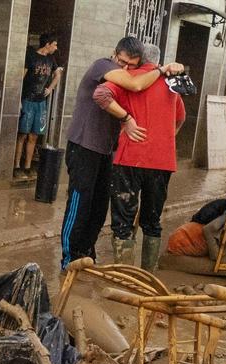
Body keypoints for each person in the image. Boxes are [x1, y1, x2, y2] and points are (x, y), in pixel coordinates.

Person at [58, 37, 184, 271]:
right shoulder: (104, 66)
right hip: (84, 146)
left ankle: (87, 253)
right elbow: (129, 87)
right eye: (122, 61)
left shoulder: (129, 76)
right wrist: (127, 118)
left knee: (98, 207)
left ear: (140, 63)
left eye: (131, 65)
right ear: (114, 53)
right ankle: (69, 258)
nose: (125, 67)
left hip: (107, 150)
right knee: (79, 203)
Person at [93, 44, 186, 270]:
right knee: (152, 221)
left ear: (139, 60)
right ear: (158, 62)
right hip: (162, 161)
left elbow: (101, 94)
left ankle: (126, 279)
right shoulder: (171, 84)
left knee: (123, 222)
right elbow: (181, 118)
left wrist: (126, 119)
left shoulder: (128, 79)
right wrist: (165, 138)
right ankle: (148, 277)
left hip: (130, 159)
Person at [14, 33, 62, 178]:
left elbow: (57, 75)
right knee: (22, 134)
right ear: (47, 44)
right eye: (54, 44)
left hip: (40, 102)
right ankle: (17, 166)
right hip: (27, 99)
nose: (56, 48)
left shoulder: (51, 59)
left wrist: (50, 88)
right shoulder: (31, 56)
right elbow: (20, 77)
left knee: (34, 136)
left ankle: (28, 167)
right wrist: (18, 99)